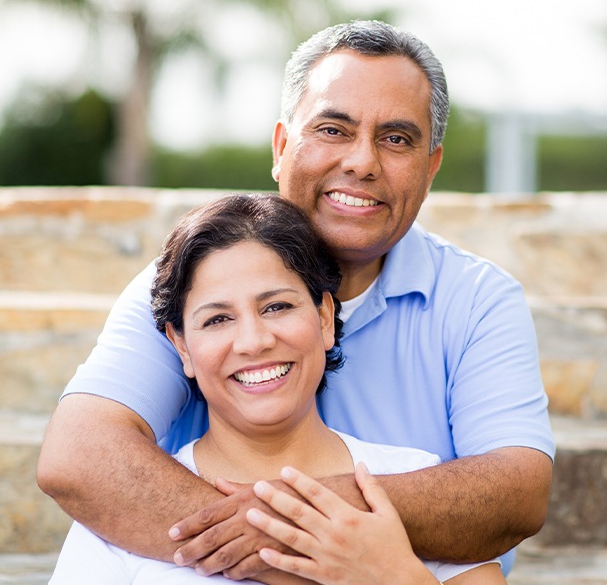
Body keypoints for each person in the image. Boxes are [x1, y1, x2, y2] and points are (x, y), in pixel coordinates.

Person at [37, 20, 554, 579]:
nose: (362, 162)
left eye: (397, 139)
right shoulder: (192, 280)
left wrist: (293, 526)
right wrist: (303, 560)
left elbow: (516, 492)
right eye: (333, 129)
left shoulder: (478, 300)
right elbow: (80, 455)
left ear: (431, 168)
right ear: (282, 147)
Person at [50, 193, 504, 584]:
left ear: (325, 318)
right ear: (181, 347)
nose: (254, 341)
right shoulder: (120, 513)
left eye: (277, 307)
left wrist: (395, 576)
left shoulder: (412, 482)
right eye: (218, 319)